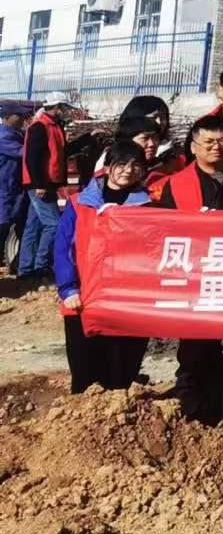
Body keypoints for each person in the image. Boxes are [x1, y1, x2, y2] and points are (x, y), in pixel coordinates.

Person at [155, 115, 223, 425]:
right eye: (209, 142)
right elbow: (165, 231)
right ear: (193, 146)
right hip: (197, 278)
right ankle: (197, 412)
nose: (217, 147)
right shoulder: (176, 184)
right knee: (196, 347)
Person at [54, 137, 152, 392]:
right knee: (84, 368)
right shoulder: (79, 203)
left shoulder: (149, 207)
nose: (128, 170)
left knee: (122, 367)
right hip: (84, 297)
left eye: (135, 165)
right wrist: (68, 288)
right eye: (121, 164)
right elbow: (63, 248)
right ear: (107, 167)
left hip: (128, 301)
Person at [18, 93, 74, 288]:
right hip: (40, 184)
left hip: (48, 183)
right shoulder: (39, 127)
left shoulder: (55, 126)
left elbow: (62, 151)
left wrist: (87, 139)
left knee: (33, 227)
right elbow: (31, 158)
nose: (66, 112)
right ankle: (40, 267)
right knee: (54, 225)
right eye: (64, 108)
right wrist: (38, 184)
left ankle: (26, 270)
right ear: (57, 107)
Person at [0, 105, 24, 276]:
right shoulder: (4, 137)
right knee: (2, 226)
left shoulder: (17, 134)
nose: (22, 118)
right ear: (7, 117)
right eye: (18, 115)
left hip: (13, 189)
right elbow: (24, 153)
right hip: (4, 189)